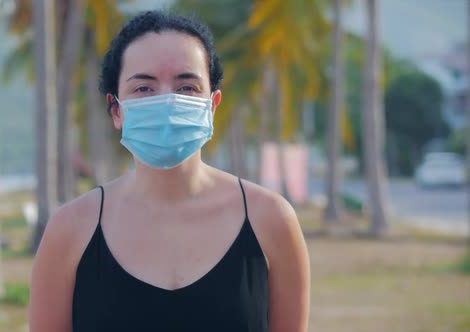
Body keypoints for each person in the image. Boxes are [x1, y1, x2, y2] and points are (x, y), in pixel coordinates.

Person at [29, 10, 310, 332]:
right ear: (116, 109)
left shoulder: (270, 219)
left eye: (187, 87)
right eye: (144, 89)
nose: (168, 100)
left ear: (213, 105)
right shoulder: (70, 229)